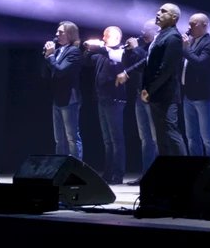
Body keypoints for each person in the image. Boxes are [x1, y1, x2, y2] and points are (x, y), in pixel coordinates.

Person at [126, 2, 187, 159]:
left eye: (163, 11)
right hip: (157, 94)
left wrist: (149, 89)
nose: (158, 13)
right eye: (159, 10)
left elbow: (165, 68)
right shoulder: (161, 35)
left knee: (171, 133)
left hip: (166, 94)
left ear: (174, 17)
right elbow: (149, 62)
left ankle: (186, 170)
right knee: (161, 137)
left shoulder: (173, 37)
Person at [83, 26, 128, 183]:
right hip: (102, 99)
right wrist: (88, 48)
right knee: (107, 140)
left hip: (115, 99)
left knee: (116, 139)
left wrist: (100, 47)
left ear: (116, 38)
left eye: (106, 36)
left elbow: (118, 62)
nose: (103, 39)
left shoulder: (120, 52)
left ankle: (117, 173)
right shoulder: (102, 54)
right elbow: (87, 60)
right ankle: (108, 172)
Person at [116, 20, 159, 184]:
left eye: (146, 29)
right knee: (145, 139)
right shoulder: (142, 48)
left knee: (155, 138)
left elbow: (148, 63)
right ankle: (146, 174)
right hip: (139, 96)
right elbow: (129, 65)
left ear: (155, 31)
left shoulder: (157, 47)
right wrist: (128, 51)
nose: (142, 32)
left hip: (152, 97)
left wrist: (136, 49)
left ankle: (158, 175)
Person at [42, 21, 84, 162]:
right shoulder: (59, 50)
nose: (57, 34)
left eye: (61, 32)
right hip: (57, 98)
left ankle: (76, 168)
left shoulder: (74, 51)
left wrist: (51, 57)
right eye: (57, 31)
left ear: (70, 34)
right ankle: (60, 166)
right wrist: (46, 56)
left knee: (72, 137)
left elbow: (60, 71)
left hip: (69, 99)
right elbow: (46, 73)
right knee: (59, 138)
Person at [181, 13, 210, 161]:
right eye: (189, 24)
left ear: (204, 25)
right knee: (191, 137)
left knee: (207, 137)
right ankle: (196, 168)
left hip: (203, 96)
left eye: (193, 24)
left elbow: (200, 63)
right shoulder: (191, 42)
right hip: (188, 95)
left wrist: (186, 48)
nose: (189, 27)